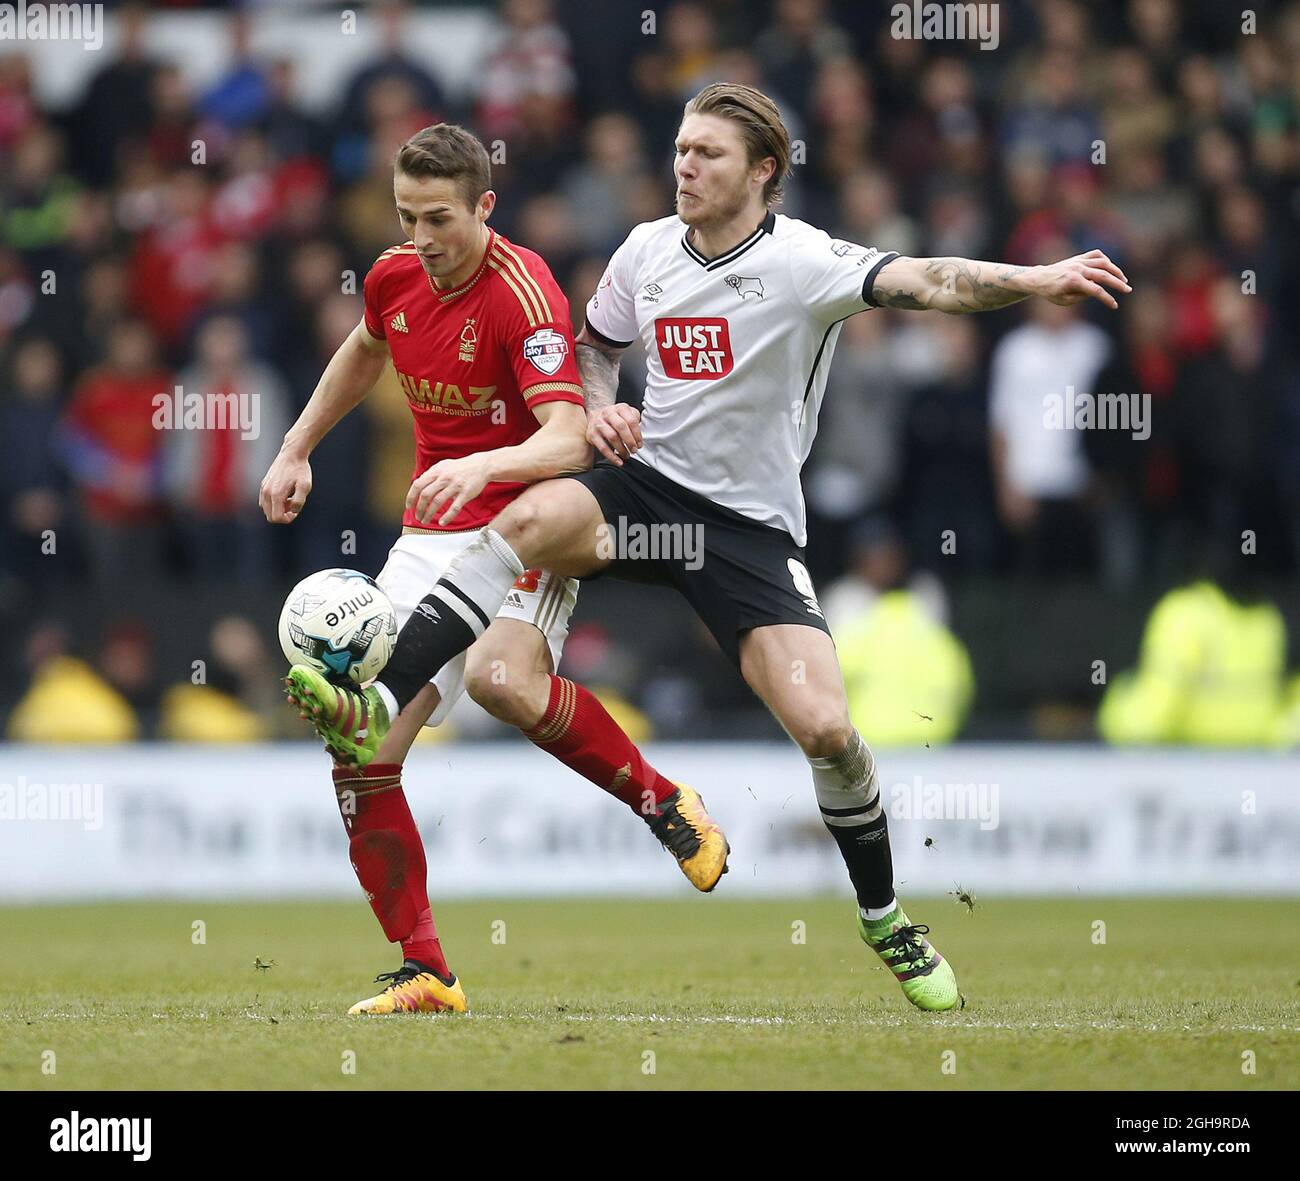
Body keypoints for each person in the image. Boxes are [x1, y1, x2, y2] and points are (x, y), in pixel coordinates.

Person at [292, 84, 1130, 1012]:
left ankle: (885, 915)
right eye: (682, 149)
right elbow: (597, 350)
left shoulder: (804, 260)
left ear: (765, 171)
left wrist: (1032, 279)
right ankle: (378, 700)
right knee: (521, 522)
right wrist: (607, 404)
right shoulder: (645, 249)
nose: (684, 166)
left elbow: (926, 279)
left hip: (745, 530)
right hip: (646, 489)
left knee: (826, 730)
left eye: (709, 154)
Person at [259, 124, 727, 1017]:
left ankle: (664, 801)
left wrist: (481, 466)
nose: (422, 238)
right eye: (406, 217)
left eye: (440, 218)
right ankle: (426, 970)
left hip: (524, 520)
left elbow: (565, 435)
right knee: (361, 752)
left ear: (484, 205)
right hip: (433, 531)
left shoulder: (523, 292)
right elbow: (366, 347)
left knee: (503, 678)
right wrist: (295, 447)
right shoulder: (396, 274)